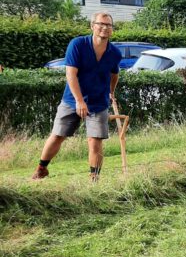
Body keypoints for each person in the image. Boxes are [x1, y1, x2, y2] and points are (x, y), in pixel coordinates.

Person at [32, 12, 121, 183]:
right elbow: (71, 74)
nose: (105, 28)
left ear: (112, 29)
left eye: (109, 25)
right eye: (101, 24)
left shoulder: (114, 52)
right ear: (92, 26)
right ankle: (41, 169)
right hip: (72, 100)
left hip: (98, 103)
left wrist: (111, 92)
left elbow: (114, 74)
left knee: (95, 141)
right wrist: (80, 101)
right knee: (58, 135)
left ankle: (94, 179)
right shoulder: (78, 44)